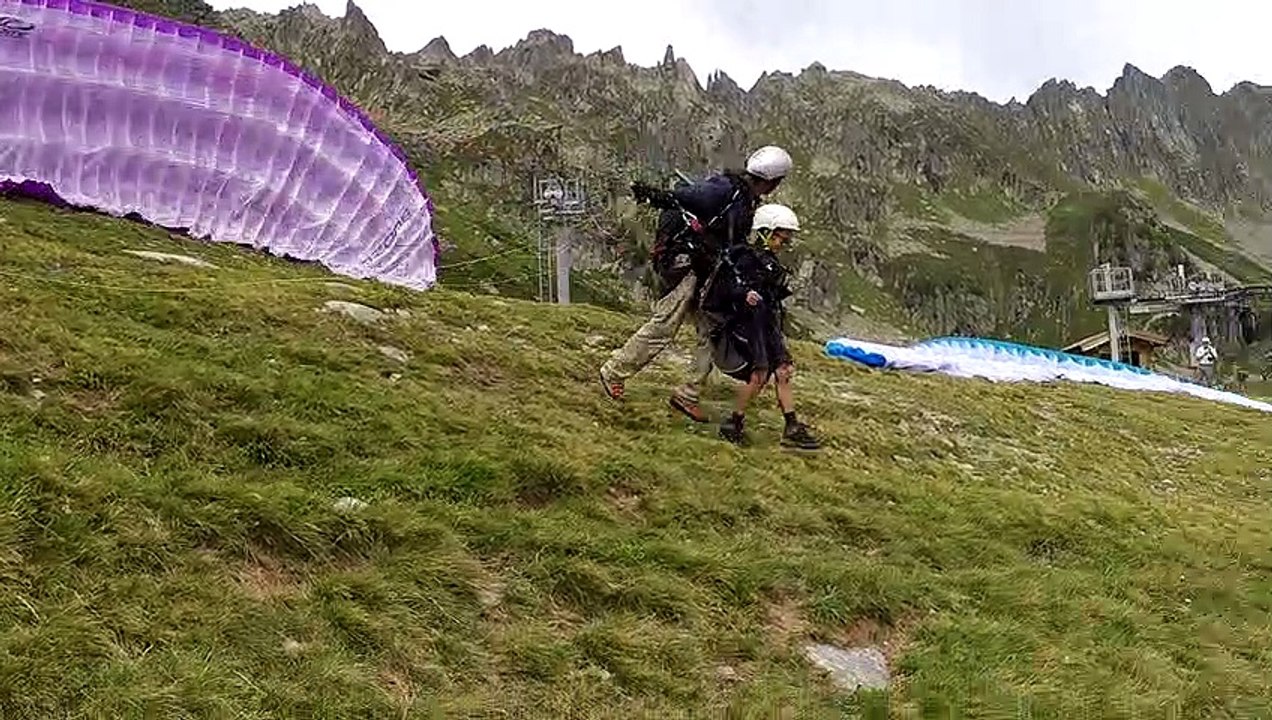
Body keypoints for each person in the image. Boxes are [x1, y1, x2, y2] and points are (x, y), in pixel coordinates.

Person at [598, 145, 794, 422]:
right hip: (688, 267)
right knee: (665, 324)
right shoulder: (728, 190)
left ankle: (688, 394)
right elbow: (687, 199)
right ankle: (613, 372)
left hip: (709, 272)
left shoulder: (742, 196)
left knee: (711, 333)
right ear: (773, 180)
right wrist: (655, 196)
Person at [699, 203, 820, 451]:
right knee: (759, 376)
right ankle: (734, 422)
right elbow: (729, 288)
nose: (782, 244)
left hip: (768, 325)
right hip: (751, 326)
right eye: (779, 238)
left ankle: (792, 426)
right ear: (765, 232)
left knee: (784, 371)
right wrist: (744, 294)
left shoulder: (770, 262)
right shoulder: (744, 258)